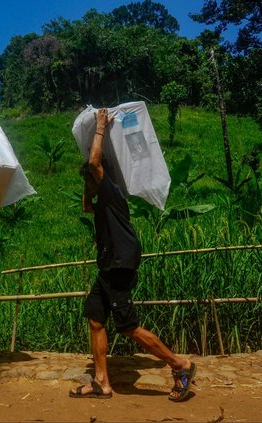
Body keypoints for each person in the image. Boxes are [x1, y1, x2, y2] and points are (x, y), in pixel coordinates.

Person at [69, 108, 196, 402]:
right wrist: (87, 183)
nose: (88, 179)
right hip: (109, 265)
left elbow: (94, 163)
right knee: (95, 318)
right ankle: (102, 382)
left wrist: (99, 128)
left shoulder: (112, 192)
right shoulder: (101, 198)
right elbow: (86, 206)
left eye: (89, 177)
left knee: (128, 326)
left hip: (120, 263)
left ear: (101, 175)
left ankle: (180, 364)